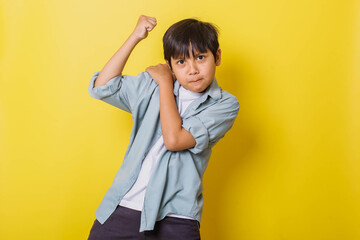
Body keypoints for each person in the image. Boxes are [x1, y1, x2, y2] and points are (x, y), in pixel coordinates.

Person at [87, 15, 240, 240]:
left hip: (176, 216)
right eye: (181, 62)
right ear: (169, 65)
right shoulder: (150, 86)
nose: (193, 69)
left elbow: (174, 140)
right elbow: (102, 88)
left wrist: (166, 83)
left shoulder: (224, 104)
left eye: (200, 57)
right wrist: (135, 37)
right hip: (124, 207)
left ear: (216, 56)